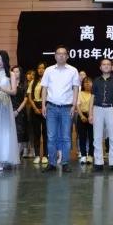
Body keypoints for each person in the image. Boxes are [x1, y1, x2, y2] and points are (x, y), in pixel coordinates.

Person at [40, 45, 80, 173]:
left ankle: (65, 163)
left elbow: (76, 88)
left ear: (67, 56)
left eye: (64, 54)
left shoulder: (73, 70)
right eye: (58, 53)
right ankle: (51, 163)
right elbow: (44, 88)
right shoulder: (49, 70)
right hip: (51, 107)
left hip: (67, 108)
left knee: (66, 137)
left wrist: (74, 105)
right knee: (51, 136)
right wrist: (43, 105)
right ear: (55, 56)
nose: (61, 56)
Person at [89, 58, 113, 172]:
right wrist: (90, 113)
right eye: (104, 64)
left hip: (111, 109)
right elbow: (92, 97)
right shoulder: (96, 80)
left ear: (111, 67)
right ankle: (98, 162)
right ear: (100, 67)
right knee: (97, 137)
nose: (106, 66)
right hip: (97, 109)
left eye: (108, 64)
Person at [28, 62, 48, 165]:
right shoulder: (33, 82)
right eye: (39, 68)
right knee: (36, 133)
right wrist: (35, 108)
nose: (41, 70)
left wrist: (45, 107)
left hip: (46, 107)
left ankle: (45, 155)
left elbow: (51, 95)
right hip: (35, 107)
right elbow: (30, 97)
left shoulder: (49, 81)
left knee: (46, 133)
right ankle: (36, 155)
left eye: (43, 68)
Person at [10, 66, 29, 158]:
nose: (15, 73)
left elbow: (25, 100)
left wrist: (17, 111)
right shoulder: (9, 84)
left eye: (17, 71)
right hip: (9, 110)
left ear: (20, 73)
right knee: (11, 132)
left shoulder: (24, 84)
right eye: (13, 71)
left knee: (20, 132)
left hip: (20, 110)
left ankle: (17, 155)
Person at [76, 77, 94, 164]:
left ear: (92, 84)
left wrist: (91, 115)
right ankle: (83, 155)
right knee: (82, 137)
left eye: (89, 82)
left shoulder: (94, 94)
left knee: (92, 137)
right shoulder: (80, 93)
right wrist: (81, 116)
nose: (87, 84)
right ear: (82, 84)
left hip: (92, 116)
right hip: (81, 116)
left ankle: (90, 155)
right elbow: (77, 105)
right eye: (85, 82)